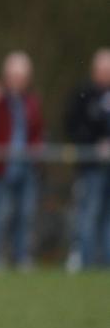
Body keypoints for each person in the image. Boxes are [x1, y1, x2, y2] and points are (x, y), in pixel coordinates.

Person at [0, 51, 43, 269]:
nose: (17, 80)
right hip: (1, 167)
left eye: (21, 76)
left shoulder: (32, 101)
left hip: (27, 168)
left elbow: (38, 131)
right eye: (13, 75)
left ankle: (22, 258)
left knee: (25, 215)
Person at [65, 47, 110, 270]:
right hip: (91, 166)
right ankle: (86, 261)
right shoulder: (84, 94)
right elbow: (73, 126)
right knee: (89, 213)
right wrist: (94, 144)